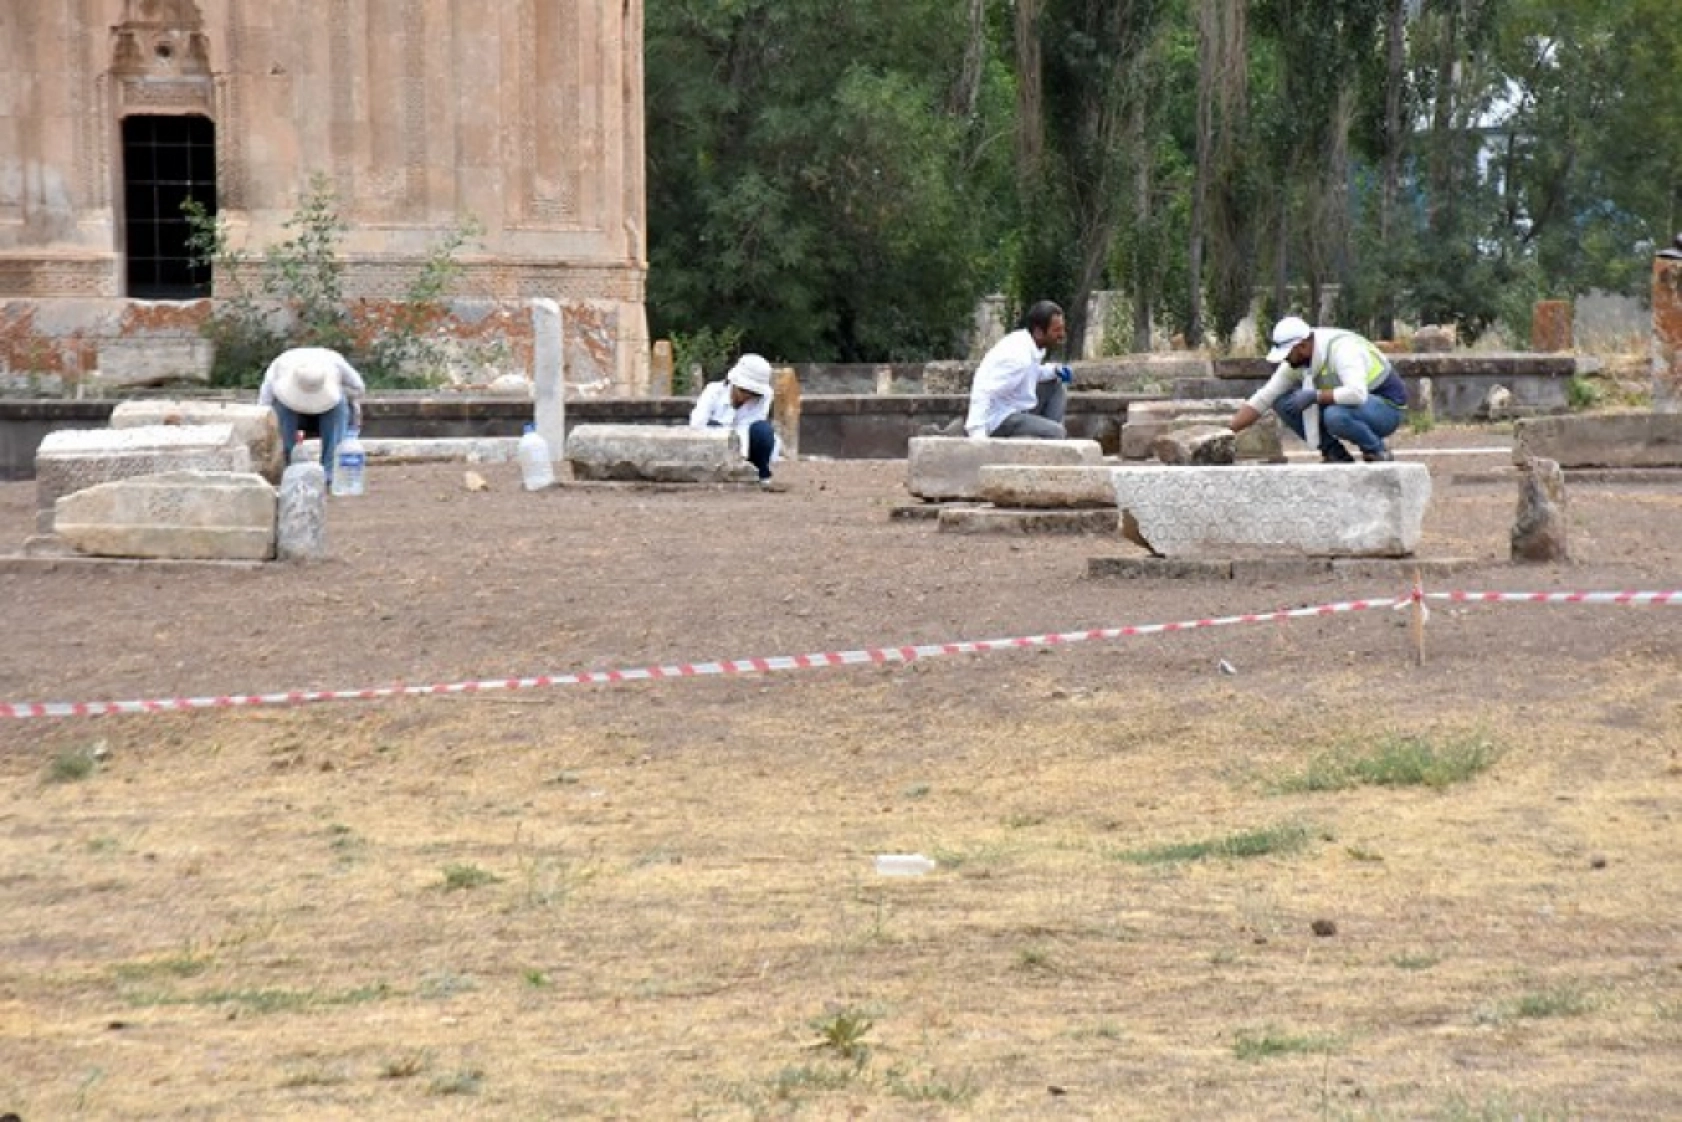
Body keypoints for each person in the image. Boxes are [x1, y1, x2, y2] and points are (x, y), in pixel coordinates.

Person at [1228, 316, 1408, 463]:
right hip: (1350, 405)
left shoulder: (1343, 350)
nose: (1285, 360)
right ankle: (1335, 454)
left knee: (1335, 415)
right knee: (1283, 403)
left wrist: (1316, 396)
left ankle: (1376, 451)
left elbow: (1357, 394)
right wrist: (1228, 432)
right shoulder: (1297, 360)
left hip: (1386, 409)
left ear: (1303, 346)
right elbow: (1264, 398)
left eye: (1288, 354)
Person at [964, 300, 1074, 439]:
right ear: (1039, 332)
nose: (1062, 335)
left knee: (1056, 385)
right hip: (999, 419)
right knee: (1057, 432)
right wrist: (977, 433)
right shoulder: (1019, 357)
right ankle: (1050, 436)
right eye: (1056, 330)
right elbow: (985, 391)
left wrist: (1054, 371)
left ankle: (1046, 433)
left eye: (1062, 329)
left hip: (1017, 408)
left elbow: (1031, 373)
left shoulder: (1030, 344)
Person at [258, 346, 367, 484]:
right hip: (293, 415)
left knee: (339, 404)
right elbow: (264, 406)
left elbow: (358, 388)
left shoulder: (335, 362)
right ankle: (289, 461)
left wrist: (334, 392)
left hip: (328, 413)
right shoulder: (280, 367)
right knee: (281, 408)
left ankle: (330, 468)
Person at [688, 353, 784, 489]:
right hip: (715, 448)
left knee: (763, 431)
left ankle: (761, 473)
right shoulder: (713, 391)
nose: (747, 396)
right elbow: (697, 425)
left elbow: (750, 424)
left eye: (753, 393)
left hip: (747, 447)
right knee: (713, 427)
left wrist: (741, 457)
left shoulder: (764, 397)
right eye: (743, 390)